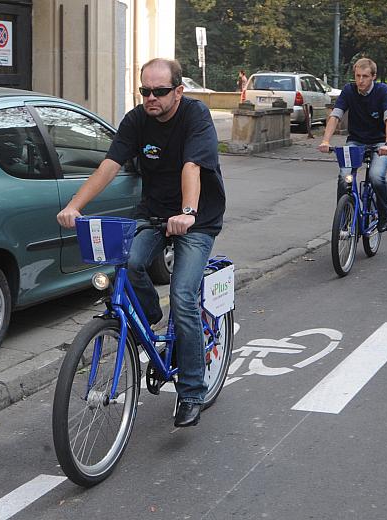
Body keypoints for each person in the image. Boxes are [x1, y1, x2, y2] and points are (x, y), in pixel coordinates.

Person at [56, 58, 226, 428]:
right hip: (152, 213)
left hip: (196, 219)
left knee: (182, 294)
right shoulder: (136, 120)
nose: (151, 98)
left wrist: (187, 211)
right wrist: (74, 206)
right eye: (145, 90)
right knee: (129, 264)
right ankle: (149, 318)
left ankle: (192, 391)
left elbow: (191, 167)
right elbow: (109, 165)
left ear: (178, 91)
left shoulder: (196, 117)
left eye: (159, 92)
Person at [318, 58, 387, 233]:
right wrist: (325, 140)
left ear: (373, 77)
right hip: (356, 141)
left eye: (365, 76)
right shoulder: (348, 91)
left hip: (381, 142)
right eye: (358, 76)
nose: (360, 80)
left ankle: (384, 213)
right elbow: (335, 115)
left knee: (376, 177)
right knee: (344, 177)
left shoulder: (383, 91)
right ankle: (344, 218)